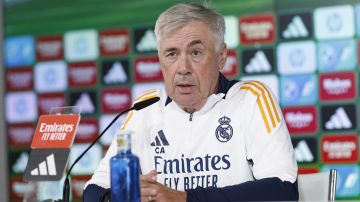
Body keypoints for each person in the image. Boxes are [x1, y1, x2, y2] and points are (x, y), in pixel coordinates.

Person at [84, 2, 298, 202]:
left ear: (221, 56)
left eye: (195, 52)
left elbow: (283, 189)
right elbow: (93, 190)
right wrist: (118, 196)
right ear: (160, 59)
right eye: (171, 54)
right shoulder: (145, 108)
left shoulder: (251, 98)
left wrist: (184, 198)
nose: (183, 67)